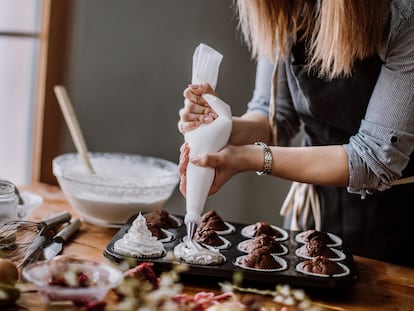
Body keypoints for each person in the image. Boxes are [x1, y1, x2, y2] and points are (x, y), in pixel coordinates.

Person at [177, 0, 414, 267]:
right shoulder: (282, 7)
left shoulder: (403, 17)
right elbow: (276, 119)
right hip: (313, 215)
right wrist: (220, 126)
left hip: (393, 224)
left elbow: (374, 160)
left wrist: (246, 158)